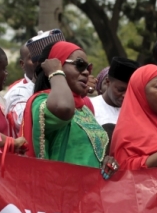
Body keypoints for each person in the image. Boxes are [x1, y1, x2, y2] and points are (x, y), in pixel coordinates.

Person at [21, 41, 117, 178]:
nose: (86, 72)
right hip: (60, 191)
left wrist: (106, 160)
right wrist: (55, 73)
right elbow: (64, 108)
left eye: (88, 68)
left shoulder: (84, 109)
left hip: (89, 193)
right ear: (58, 65)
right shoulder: (42, 102)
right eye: (79, 65)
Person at [6, 30, 65, 136]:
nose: (48, 63)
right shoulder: (19, 93)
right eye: (32, 58)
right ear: (22, 64)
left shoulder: (63, 86)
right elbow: (22, 122)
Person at [90, 57, 139, 126]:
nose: (125, 95)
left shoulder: (136, 112)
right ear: (108, 82)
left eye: (130, 91)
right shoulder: (90, 106)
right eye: (120, 90)